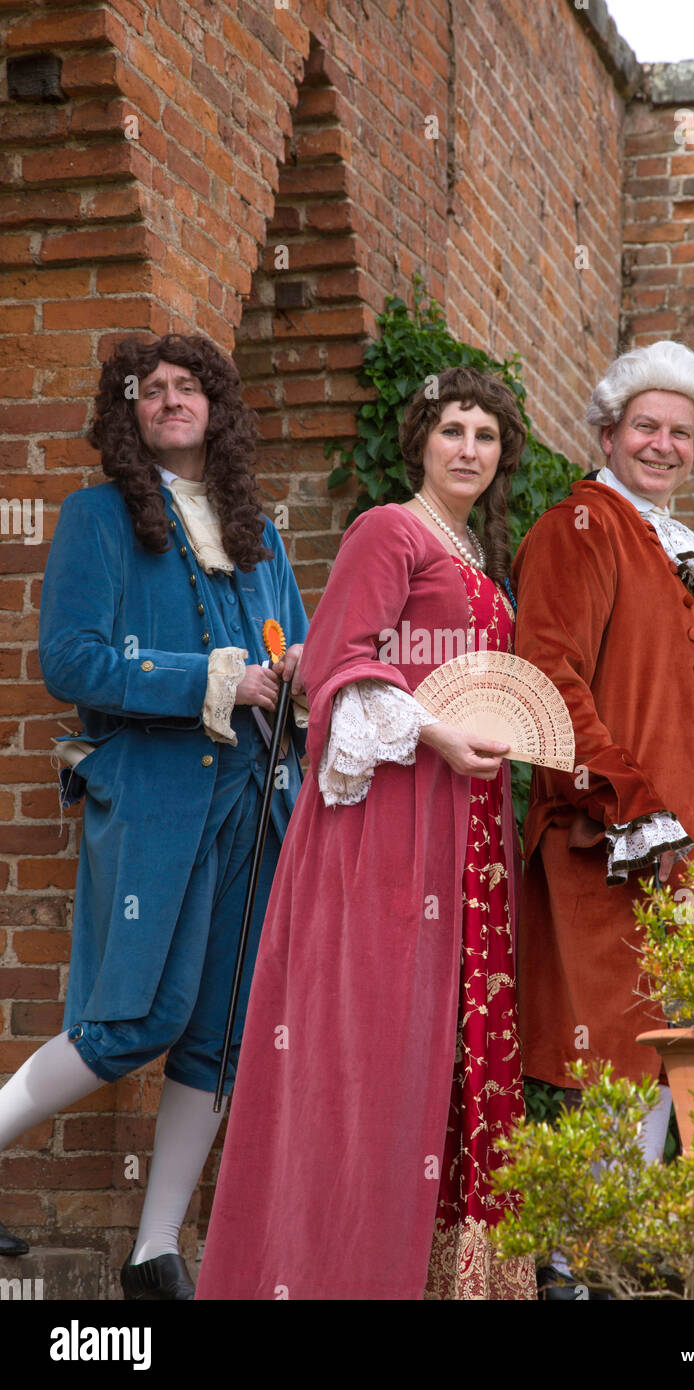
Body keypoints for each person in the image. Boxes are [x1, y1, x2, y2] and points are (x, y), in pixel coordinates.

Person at [196, 366, 536, 1301]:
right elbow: (339, 669)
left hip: (468, 827)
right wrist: (436, 733)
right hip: (391, 822)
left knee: (455, 1042)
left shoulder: (478, 558)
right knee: (381, 1047)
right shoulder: (390, 531)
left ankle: (449, 1279)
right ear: (420, 440)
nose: (469, 449)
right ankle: (338, 1275)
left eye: (486, 437)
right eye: (453, 430)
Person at [0, 333, 307, 1298]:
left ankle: (154, 1250)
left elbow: (298, 657)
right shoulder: (97, 518)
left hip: (257, 802)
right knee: (136, 1018)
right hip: (156, 799)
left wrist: (300, 674)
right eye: (153, 389)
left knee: (221, 1030)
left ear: (217, 408)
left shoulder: (262, 538)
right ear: (128, 411)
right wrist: (211, 678)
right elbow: (72, 662)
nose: (172, 400)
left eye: (190, 387)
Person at [513, 341, 694, 1167]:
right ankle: (594, 1245)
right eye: (647, 426)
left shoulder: (668, 547)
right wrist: (630, 803)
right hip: (604, 844)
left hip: (678, 860)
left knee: (659, 1060)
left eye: (681, 432)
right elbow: (547, 677)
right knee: (611, 1063)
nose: (663, 445)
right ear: (608, 435)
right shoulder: (579, 528)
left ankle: (623, 1238)